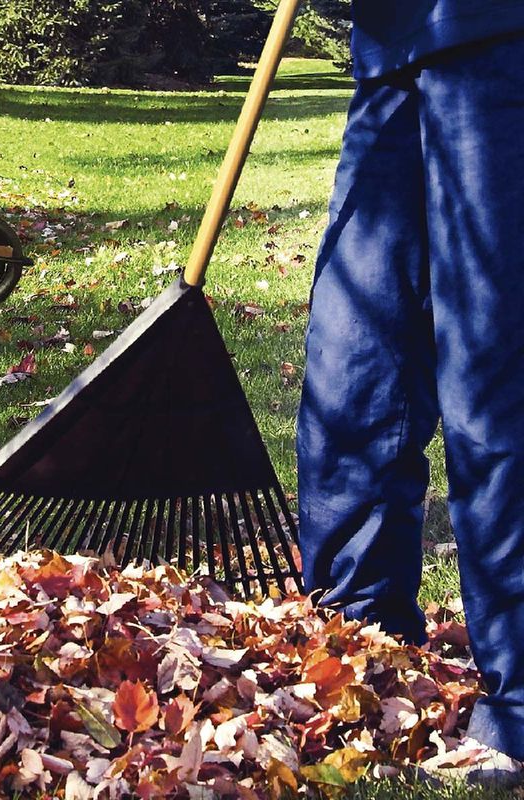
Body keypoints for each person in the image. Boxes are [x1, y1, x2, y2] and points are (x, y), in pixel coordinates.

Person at [296, 0, 524, 775]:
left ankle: (520, 705)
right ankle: (361, 659)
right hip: (390, 44)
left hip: (502, 38)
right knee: (354, 367)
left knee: (494, 374)